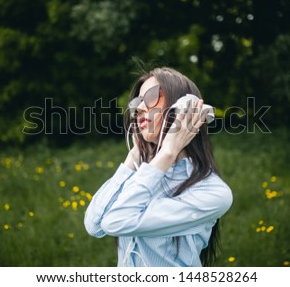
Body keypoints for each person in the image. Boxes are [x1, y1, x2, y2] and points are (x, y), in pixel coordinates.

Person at [84, 67, 233, 266]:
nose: (139, 109)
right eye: (137, 103)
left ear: (184, 108)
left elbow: (115, 222)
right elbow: (94, 225)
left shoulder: (214, 193)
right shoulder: (142, 174)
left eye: (152, 97)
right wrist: (134, 155)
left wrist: (169, 152)